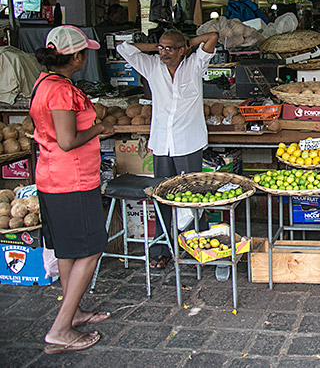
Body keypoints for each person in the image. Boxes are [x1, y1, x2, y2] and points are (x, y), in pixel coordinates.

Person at [30, 26, 115, 355]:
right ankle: (61, 329)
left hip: (50, 176)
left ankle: (72, 310)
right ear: (76, 57)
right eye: (85, 53)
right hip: (73, 180)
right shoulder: (62, 92)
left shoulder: (43, 83)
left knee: (67, 248)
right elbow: (67, 141)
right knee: (92, 248)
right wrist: (100, 127)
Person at [117, 30, 219, 268]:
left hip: (188, 143)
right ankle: (161, 248)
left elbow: (213, 36)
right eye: (162, 48)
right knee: (162, 196)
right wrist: (158, 48)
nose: (164, 53)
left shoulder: (194, 65)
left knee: (194, 198)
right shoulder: (152, 66)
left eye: (169, 49)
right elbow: (124, 47)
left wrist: (187, 44)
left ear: (183, 50)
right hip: (162, 143)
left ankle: (199, 246)